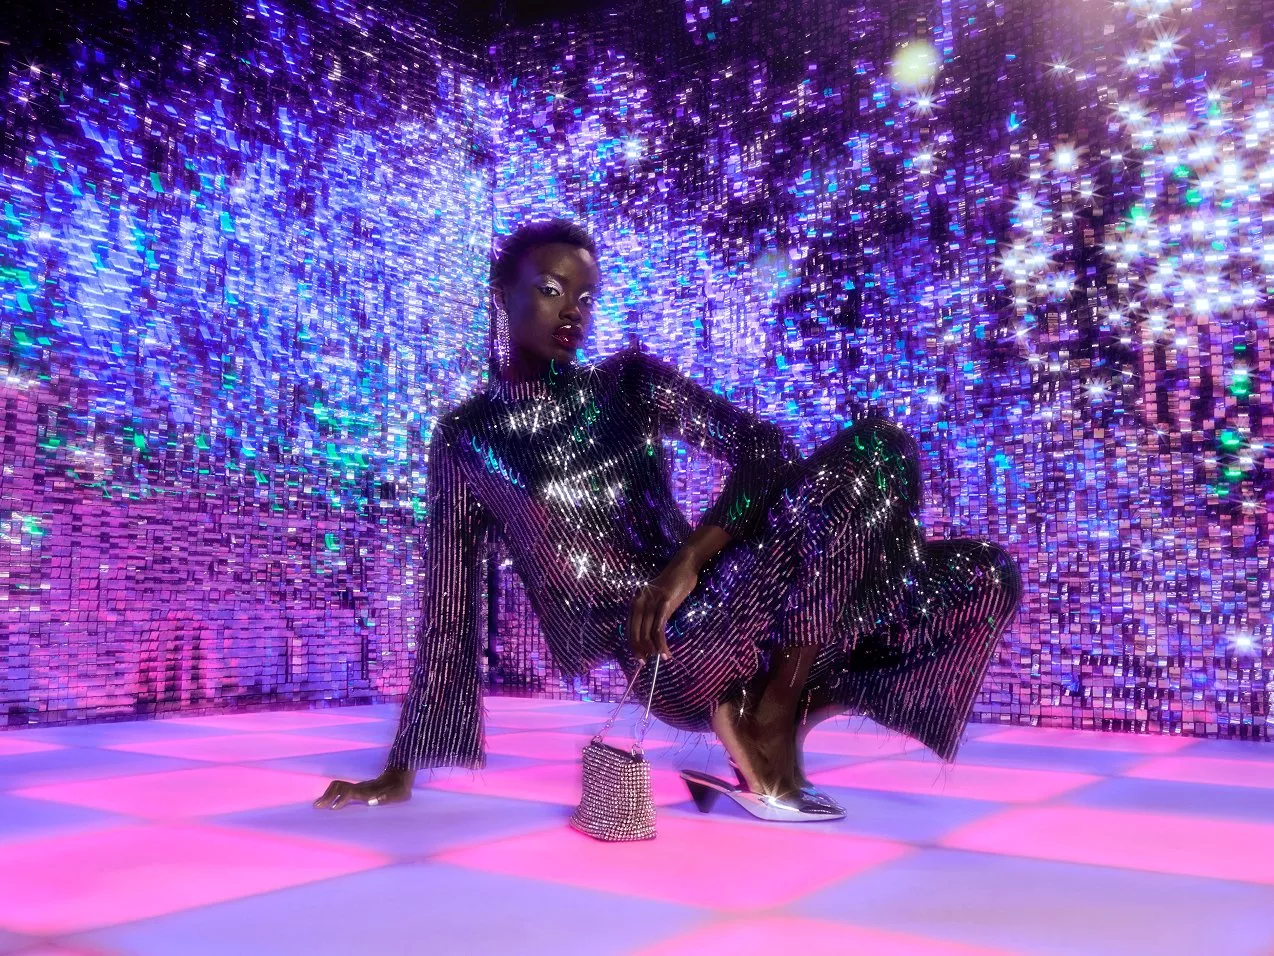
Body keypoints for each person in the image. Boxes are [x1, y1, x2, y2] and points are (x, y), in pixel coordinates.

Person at [314, 218, 1021, 821]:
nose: (572, 312)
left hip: (729, 605)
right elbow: (449, 609)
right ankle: (764, 720)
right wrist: (398, 772)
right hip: (669, 654)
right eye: (552, 290)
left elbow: (765, 451)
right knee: (872, 453)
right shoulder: (469, 439)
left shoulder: (628, 384)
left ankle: (772, 715)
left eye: (585, 297)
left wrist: (688, 561)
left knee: (982, 574)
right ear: (503, 294)